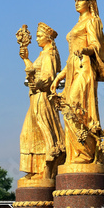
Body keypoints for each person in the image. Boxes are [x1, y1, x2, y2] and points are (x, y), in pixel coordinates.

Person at [51, 0, 104, 165]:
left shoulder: (92, 21)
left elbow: (96, 45)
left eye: (80, 0)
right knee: (68, 108)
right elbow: (70, 58)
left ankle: (85, 154)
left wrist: (85, 50)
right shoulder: (78, 23)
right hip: (73, 68)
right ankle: (74, 154)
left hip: (85, 68)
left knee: (76, 107)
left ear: (89, 2)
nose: (76, 2)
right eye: (75, 0)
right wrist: (58, 77)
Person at [19, 22, 65, 180]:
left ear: (48, 38)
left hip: (43, 98)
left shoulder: (49, 54)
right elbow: (33, 73)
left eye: (40, 36)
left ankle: (46, 169)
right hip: (35, 97)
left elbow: (48, 78)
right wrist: (25, 59)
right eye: (37, 36)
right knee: (29, 134)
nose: (37, 39)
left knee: (45, 132)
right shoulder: (42, 54)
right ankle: (35, 170)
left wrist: (36, 83)